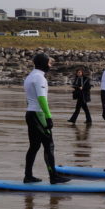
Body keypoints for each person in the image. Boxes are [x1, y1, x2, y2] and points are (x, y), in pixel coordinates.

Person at [23, 53, 70, 184]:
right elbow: (42, 99)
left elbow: (29, 99)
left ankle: (28, 176)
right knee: (49, 145)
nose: (50, 66)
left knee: (34, 146)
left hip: (30, 113)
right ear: (43, 63)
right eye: (49, 63)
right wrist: (48, 117)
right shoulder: (39, 78)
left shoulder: (30, 76)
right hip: (38, 115)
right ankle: (53, 177)